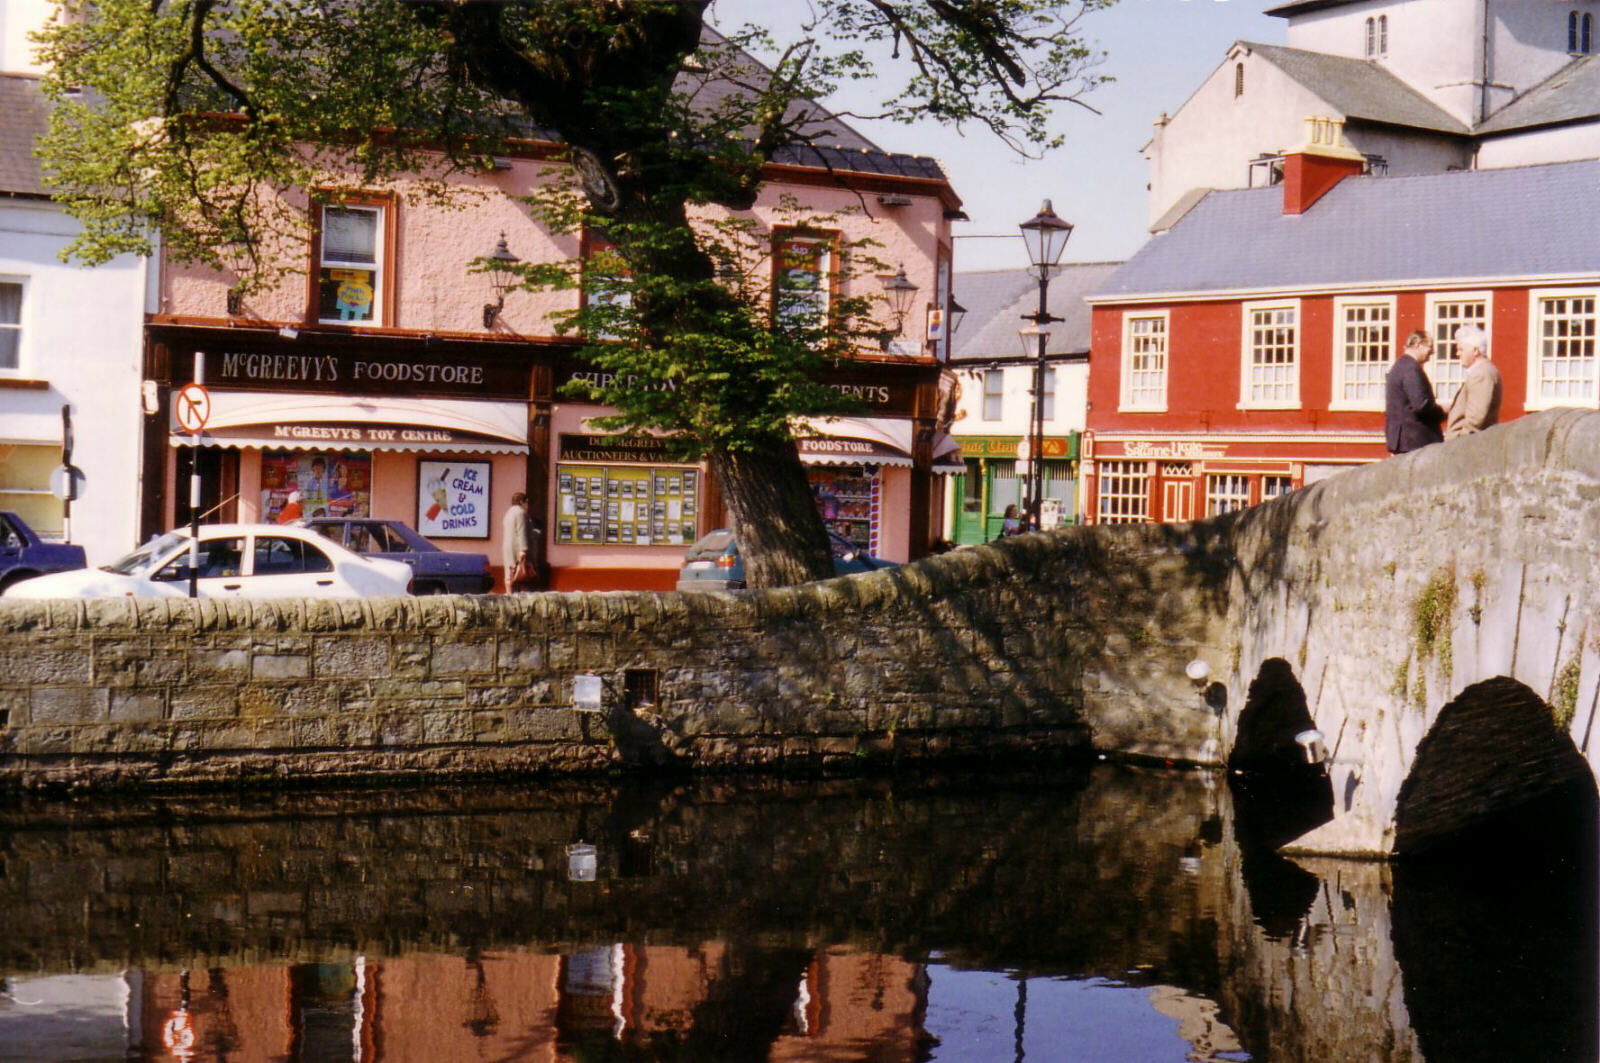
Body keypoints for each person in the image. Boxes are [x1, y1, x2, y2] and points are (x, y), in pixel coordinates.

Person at [1384, 330, 1445, 455]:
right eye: (1430, 346)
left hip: (1403, 439)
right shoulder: (1411, 368)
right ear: (1419, 344)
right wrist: (1442, 412)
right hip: (1415, 439)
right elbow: (1421, 405)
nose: (1433, 352)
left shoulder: (1400, 365)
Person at [1444, 324, 1502, 439]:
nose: (1457, 354)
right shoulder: (1483, 371)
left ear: (1475, 351)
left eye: (1461, 349)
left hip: (1466, 447)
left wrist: (1458, 442)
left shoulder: (1481, 374)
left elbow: (1475, 420)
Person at [502, 491, 532, 593]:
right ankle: (519, 597)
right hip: (516, 547)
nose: (527, 505)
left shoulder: (508, 513)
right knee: (520, 572)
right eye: (526, 502)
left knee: (509, 572)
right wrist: (523, 549)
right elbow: (521, 531)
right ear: (521, 502)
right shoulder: (521, 513)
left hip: (507, 546)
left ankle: (508, 594)